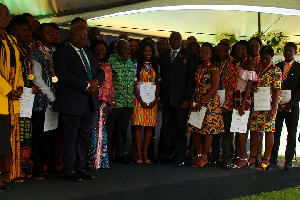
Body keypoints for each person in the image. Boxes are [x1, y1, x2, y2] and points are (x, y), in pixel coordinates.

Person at [53, 24, 104, 182]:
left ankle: (80, 168)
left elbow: (100, 72)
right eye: (79, 35)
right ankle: (69, 170)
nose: (83, 38)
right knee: (70, 137)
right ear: (70, 36)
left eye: (85, 36)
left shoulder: (89, 54)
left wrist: (96, 82)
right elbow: (64, 75)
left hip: (89, 103)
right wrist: (87, 86)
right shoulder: (62, 53)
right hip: (71, 103)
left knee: (84, 137)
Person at [8, 15, 40, 177]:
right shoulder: (11, 49)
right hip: (12, 96)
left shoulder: (28, 51)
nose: (28, 34)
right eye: (23, 30)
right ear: (12, 31)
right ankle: (14, 168)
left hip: (26, 98)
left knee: (25, 132)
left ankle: (23, 165)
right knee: (15, 133)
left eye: (29, 31)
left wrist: (31, 86)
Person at [158, 32, 196, 167]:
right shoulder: (163, 55)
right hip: (167, 98)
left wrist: (187, 98)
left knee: (180, 129)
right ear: (169, 40)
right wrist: (160, 98)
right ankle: (164, 155)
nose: (175, 41)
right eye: (173, 39)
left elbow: (191, 79)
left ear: (181, 41)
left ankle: (180, 156)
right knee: (165, 128)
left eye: (178, 39)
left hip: (181, 99)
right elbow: (161, 78)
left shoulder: (189, 55)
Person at [187, 43, 224, 168]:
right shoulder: (197, 68)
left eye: (207, 52)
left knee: (208, 130)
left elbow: (214, 87)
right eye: (202, 52)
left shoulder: (214, 68)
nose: (204, 54)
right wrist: (194, 101)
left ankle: (204, 157)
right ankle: (198, 155)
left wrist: (202, 102)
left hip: (209, 102)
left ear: (211, 54)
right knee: (195, 128)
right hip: (196, 101)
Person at [0, 3, 24, 186]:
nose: (4, 17)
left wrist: (20, 87)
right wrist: (8, 90)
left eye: (7, 14)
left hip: (13, 97)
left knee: (7, 138)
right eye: (0, 14)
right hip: (3, 96)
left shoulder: (11, 39)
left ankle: (8, 173)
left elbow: (19, 69)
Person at [30, 23, 57, 179]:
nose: (52, 35)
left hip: (54, 99)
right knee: (39, 134)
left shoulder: (54, 52)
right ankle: (37, 167)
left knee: (51, 133)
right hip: (42, 100)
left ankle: (49, 164)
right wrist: (51, 97)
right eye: (48, 32)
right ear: (40, 34)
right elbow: (37, 79)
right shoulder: (36, 54)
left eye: (53, 32)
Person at [249, 45, 281, 170]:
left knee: (268, 131)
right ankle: (253, 156)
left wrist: (274, 107)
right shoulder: (257, 68)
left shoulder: (276, 70)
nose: (264, 61)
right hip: (256, 105)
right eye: (262, 58)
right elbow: (252, 84)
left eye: (267, 58)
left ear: (271, 58)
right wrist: (252, 88)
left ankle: (266, 158)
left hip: (269, 106)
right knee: (255, 130)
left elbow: (277, 90)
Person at [270, 42, 300, 170]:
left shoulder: (299, 68)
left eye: (290, 51)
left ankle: (288, 160)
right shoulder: (277, 66)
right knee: (275, 132)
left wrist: (291, 103)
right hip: (277, 106)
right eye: (285, 50)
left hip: (291, 107)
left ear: (295, 52)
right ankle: (273, 158)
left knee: (291, 133)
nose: (287, 53)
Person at [106, 39, 135, 164]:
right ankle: (104, 156)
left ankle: (120, 154)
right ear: (117, 48)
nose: (126, 52)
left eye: (128, 50)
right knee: (108, 130)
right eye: (124, 49)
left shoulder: (130, 61)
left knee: (122, 131)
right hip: (114, 103)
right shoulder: (111, 61)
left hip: (127, 103)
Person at [86, 40, 114, 170]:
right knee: (91, 130)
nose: (100, 52)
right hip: (92, 101)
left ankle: (100, 160)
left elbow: (110, 85)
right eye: (98, 49)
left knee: (101, 130)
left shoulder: (107, 66)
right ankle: (90, 161)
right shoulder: (89, 65)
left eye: (103, 49)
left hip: (104, 102)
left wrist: (111, 99)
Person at [231, 40, 257, 169]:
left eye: (242, 49)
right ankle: (238, 155)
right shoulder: (238, 63)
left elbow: (249, 86)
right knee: (237, 129)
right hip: (236, 98)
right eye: (237, 49)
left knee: (241, 130)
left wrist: (242, 104)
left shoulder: (249, 64)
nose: (239, 51)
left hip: (243, 100)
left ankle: (243, 158)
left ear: (246, 50)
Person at [132, 44, 160, 164]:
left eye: (150, 51)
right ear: (141, 52)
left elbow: (158, 83)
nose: (148, 53)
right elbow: (134, 83)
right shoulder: (136, 64)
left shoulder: (156, 65)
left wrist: (155, 99)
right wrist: (140, 100)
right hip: (138, 100)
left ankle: (145, 152)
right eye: (145, 51)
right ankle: (138, 153)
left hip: (152, 100)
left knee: (149, 127)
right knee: (138, 126)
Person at [212, 42, 237, 168]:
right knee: (214, 131)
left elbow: (232, 88)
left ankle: (226, 158)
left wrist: (226, 105)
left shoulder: (231, 67)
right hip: (213, 103)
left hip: (226, 104)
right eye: (218, 51)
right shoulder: (213, 65)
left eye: (223, 51)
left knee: (226, 133)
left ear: (227, 53)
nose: (220, 53)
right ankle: (215, 156)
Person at [248, 36, 263, 166]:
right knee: (246, 126)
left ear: (260, 47)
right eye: (251, 46)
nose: (253, 48)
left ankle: (258, 153)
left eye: (256, 46)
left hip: (259, 98)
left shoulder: (263, 61)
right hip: (246, 98)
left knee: (259, 127)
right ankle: (248, 153)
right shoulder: (246, 60)